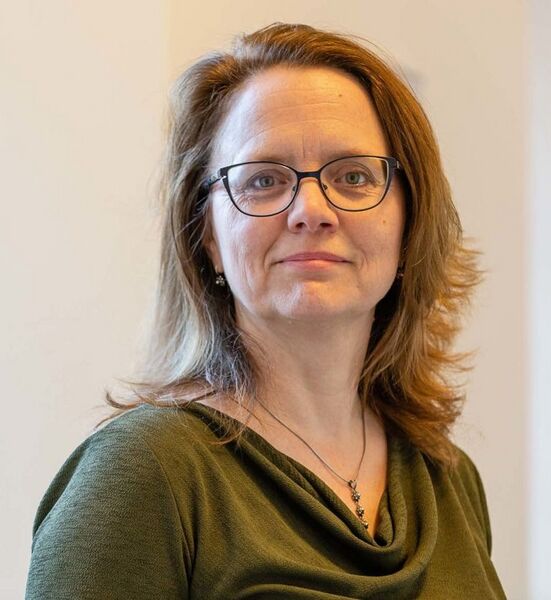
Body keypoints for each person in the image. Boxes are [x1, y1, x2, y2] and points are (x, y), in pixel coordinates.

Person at [25, 22, 506, 599]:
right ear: (208, 235)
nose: (311, 210)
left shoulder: (448, 475)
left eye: (354, 176)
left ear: (409, 221)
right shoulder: (141, 473)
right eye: (263, 181)